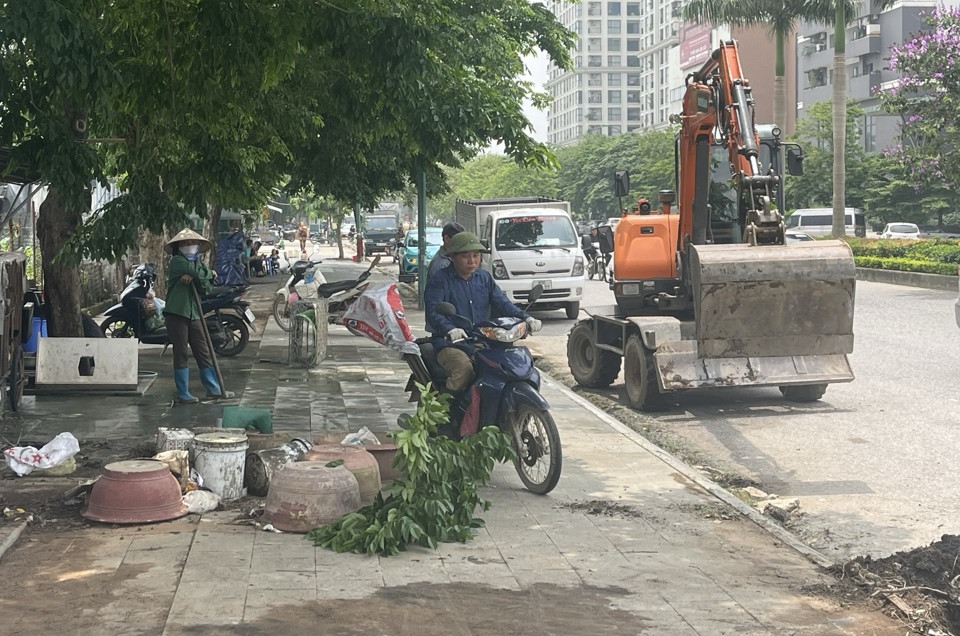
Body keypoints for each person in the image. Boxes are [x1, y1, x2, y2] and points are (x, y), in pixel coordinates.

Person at [424, 231, 542, 401]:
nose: (472, 261)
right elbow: (433, 311)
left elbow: (502, 303)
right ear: (453, 257)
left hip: (485, 339)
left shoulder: (484, 278)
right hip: (451, 342)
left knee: (511, 367)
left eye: (476, 255)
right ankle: (444, 414)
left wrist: (526, 317)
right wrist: (450, 329)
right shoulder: (440, 280)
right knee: (463, 369)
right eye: (466, 256)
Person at [163, 228, 233, 403]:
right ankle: (183, 392)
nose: (189, 246)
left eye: (192, 243)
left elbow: (206, 288)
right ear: (178, 247)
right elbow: (201, 275)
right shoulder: (177, 262)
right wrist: (209, 274)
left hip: (194, 313)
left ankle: (213, 388)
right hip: (177, 313)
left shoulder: (198, 263)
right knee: (181, 352)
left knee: (203, 350)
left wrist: (202, 276)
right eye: (185, 243)